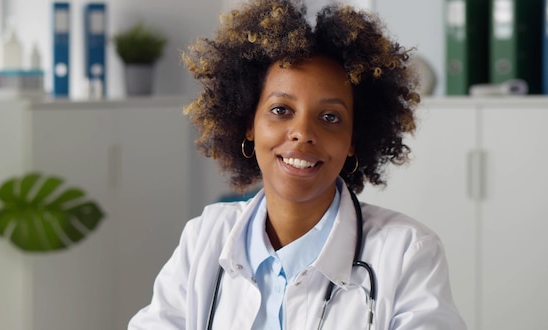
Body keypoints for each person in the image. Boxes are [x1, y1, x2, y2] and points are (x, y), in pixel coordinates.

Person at [128, 0, 466, 329]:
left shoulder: (406, 252)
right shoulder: (205, 236)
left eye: (330, 117)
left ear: (352, 141)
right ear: (249, 123)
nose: (303, 133)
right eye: (281, 110)